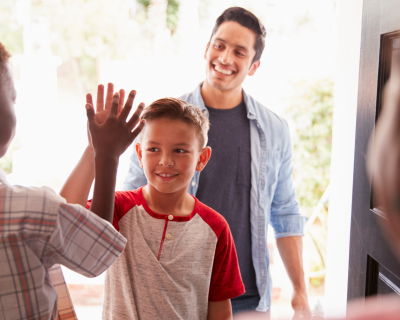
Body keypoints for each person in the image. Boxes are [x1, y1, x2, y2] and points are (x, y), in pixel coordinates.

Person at [124, 6, 310, 317]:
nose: (224, 58)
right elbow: (131, 201)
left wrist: (300, 293)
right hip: (177, 291)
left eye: (239, 52)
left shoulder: (274, 129)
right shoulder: (164, 122)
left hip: (248, 296)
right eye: (219, 45)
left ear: (253, 66)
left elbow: (285, 211)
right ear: (206, 48)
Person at [60, 94, 245, 320]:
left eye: (180, 150)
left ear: (202, 158)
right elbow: (65, 217)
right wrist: (94, 150)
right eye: (153, 149)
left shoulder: (216, 229)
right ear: (139, 154)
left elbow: (220, 312)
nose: (165, 161)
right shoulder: (118, 207)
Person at [0, 41, 144, 320]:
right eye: (13, 98)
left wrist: (93, 150)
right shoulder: (27, 207)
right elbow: (95, 251)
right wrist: (107, 155)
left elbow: (65, 220)